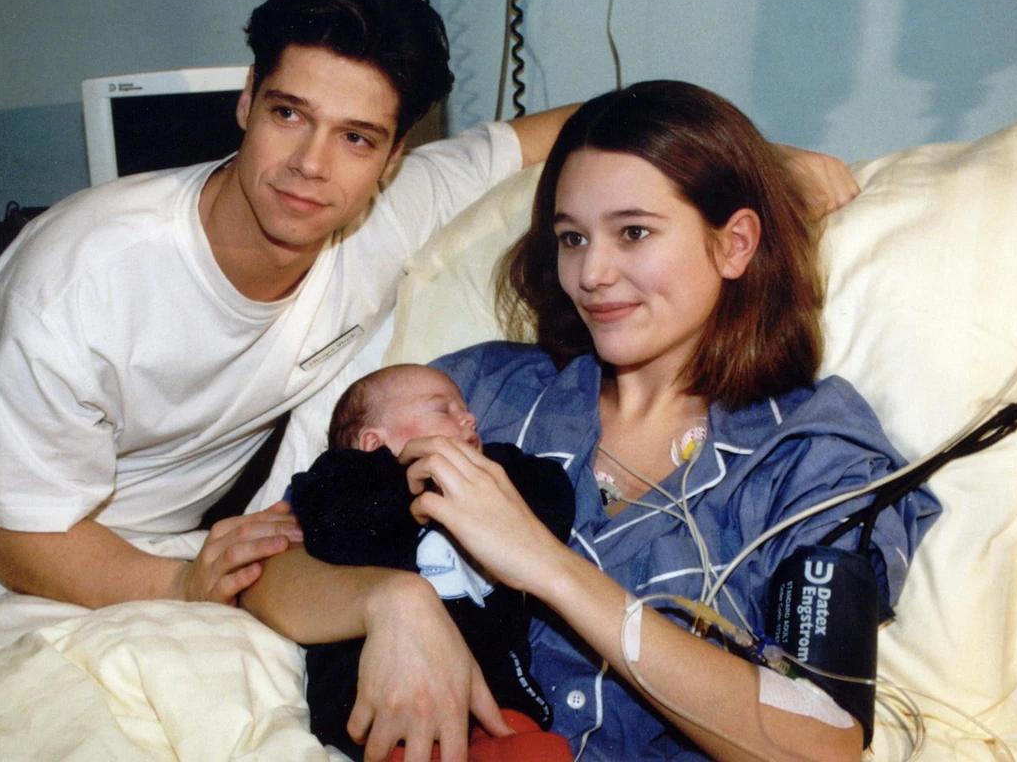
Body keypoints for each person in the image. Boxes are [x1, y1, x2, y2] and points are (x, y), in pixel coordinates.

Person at [0, 0, 858, 741]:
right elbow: (22, 539)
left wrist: (752, 165)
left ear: (393, 153)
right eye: (288, 114)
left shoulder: (391, 214)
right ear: (246, 100)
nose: (309, 166)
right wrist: (194, 587)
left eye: (357, 137)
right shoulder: (86, 272)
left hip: (184, 545)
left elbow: (567, 134)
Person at [242, 81, 940, 762]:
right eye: (572, 238)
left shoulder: (812, 450)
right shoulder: (473, 394)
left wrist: (547, 566)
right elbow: (266, 567)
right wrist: (391, 601)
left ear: (734, 244)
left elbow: (823, 742)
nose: (592, 273)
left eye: (633, 232)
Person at [291, 364, 574, 761]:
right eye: (443, 410)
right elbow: (326, 528)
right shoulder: (347, 481)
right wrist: (406, 486)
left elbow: (554, 504)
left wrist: (488, 486)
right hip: (389, 692)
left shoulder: (495, 471)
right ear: (374, 442)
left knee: (534, 748)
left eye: (465, 409)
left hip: (494, 697)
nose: (469, 418)